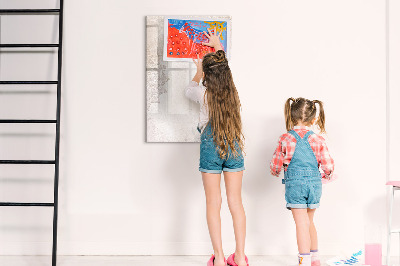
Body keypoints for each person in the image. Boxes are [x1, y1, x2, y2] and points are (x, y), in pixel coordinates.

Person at [185, 28, 249, 266]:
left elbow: (188, 89)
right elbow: (224, 69)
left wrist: (198, 70)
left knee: (213, 203)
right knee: (236, 202)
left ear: (207, 77)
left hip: (211, 148)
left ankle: (220, 258)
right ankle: (240, 258)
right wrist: (218, 47)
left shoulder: (203, 95)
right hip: (233, 146)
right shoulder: (233, 94)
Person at [270, 98, 335, 266]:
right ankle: (315, 260)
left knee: (301, 224)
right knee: (309, 222)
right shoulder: (318, 139)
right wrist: (327, 175)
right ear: (313, 120)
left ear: (291, 117)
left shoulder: (285, 138)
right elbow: (328, 165)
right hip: (314, 185)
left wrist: (275, 171)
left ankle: (304, 261)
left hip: (295, 186)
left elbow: (275, 164)